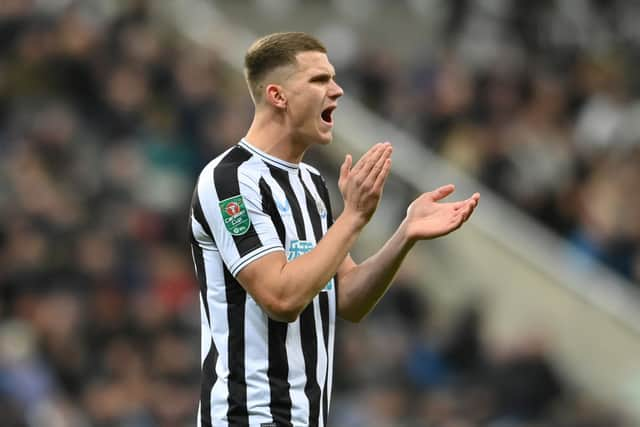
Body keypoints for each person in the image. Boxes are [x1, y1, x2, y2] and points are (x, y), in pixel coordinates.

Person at [189, 32, 480, 427]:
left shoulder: (311, 183)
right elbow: (281, 296)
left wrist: (405, 234)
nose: (337, 90)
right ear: (278, 96)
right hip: (247, 416)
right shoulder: (230, 181)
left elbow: (347, 300)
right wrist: (353, 217)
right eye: (319, 80)